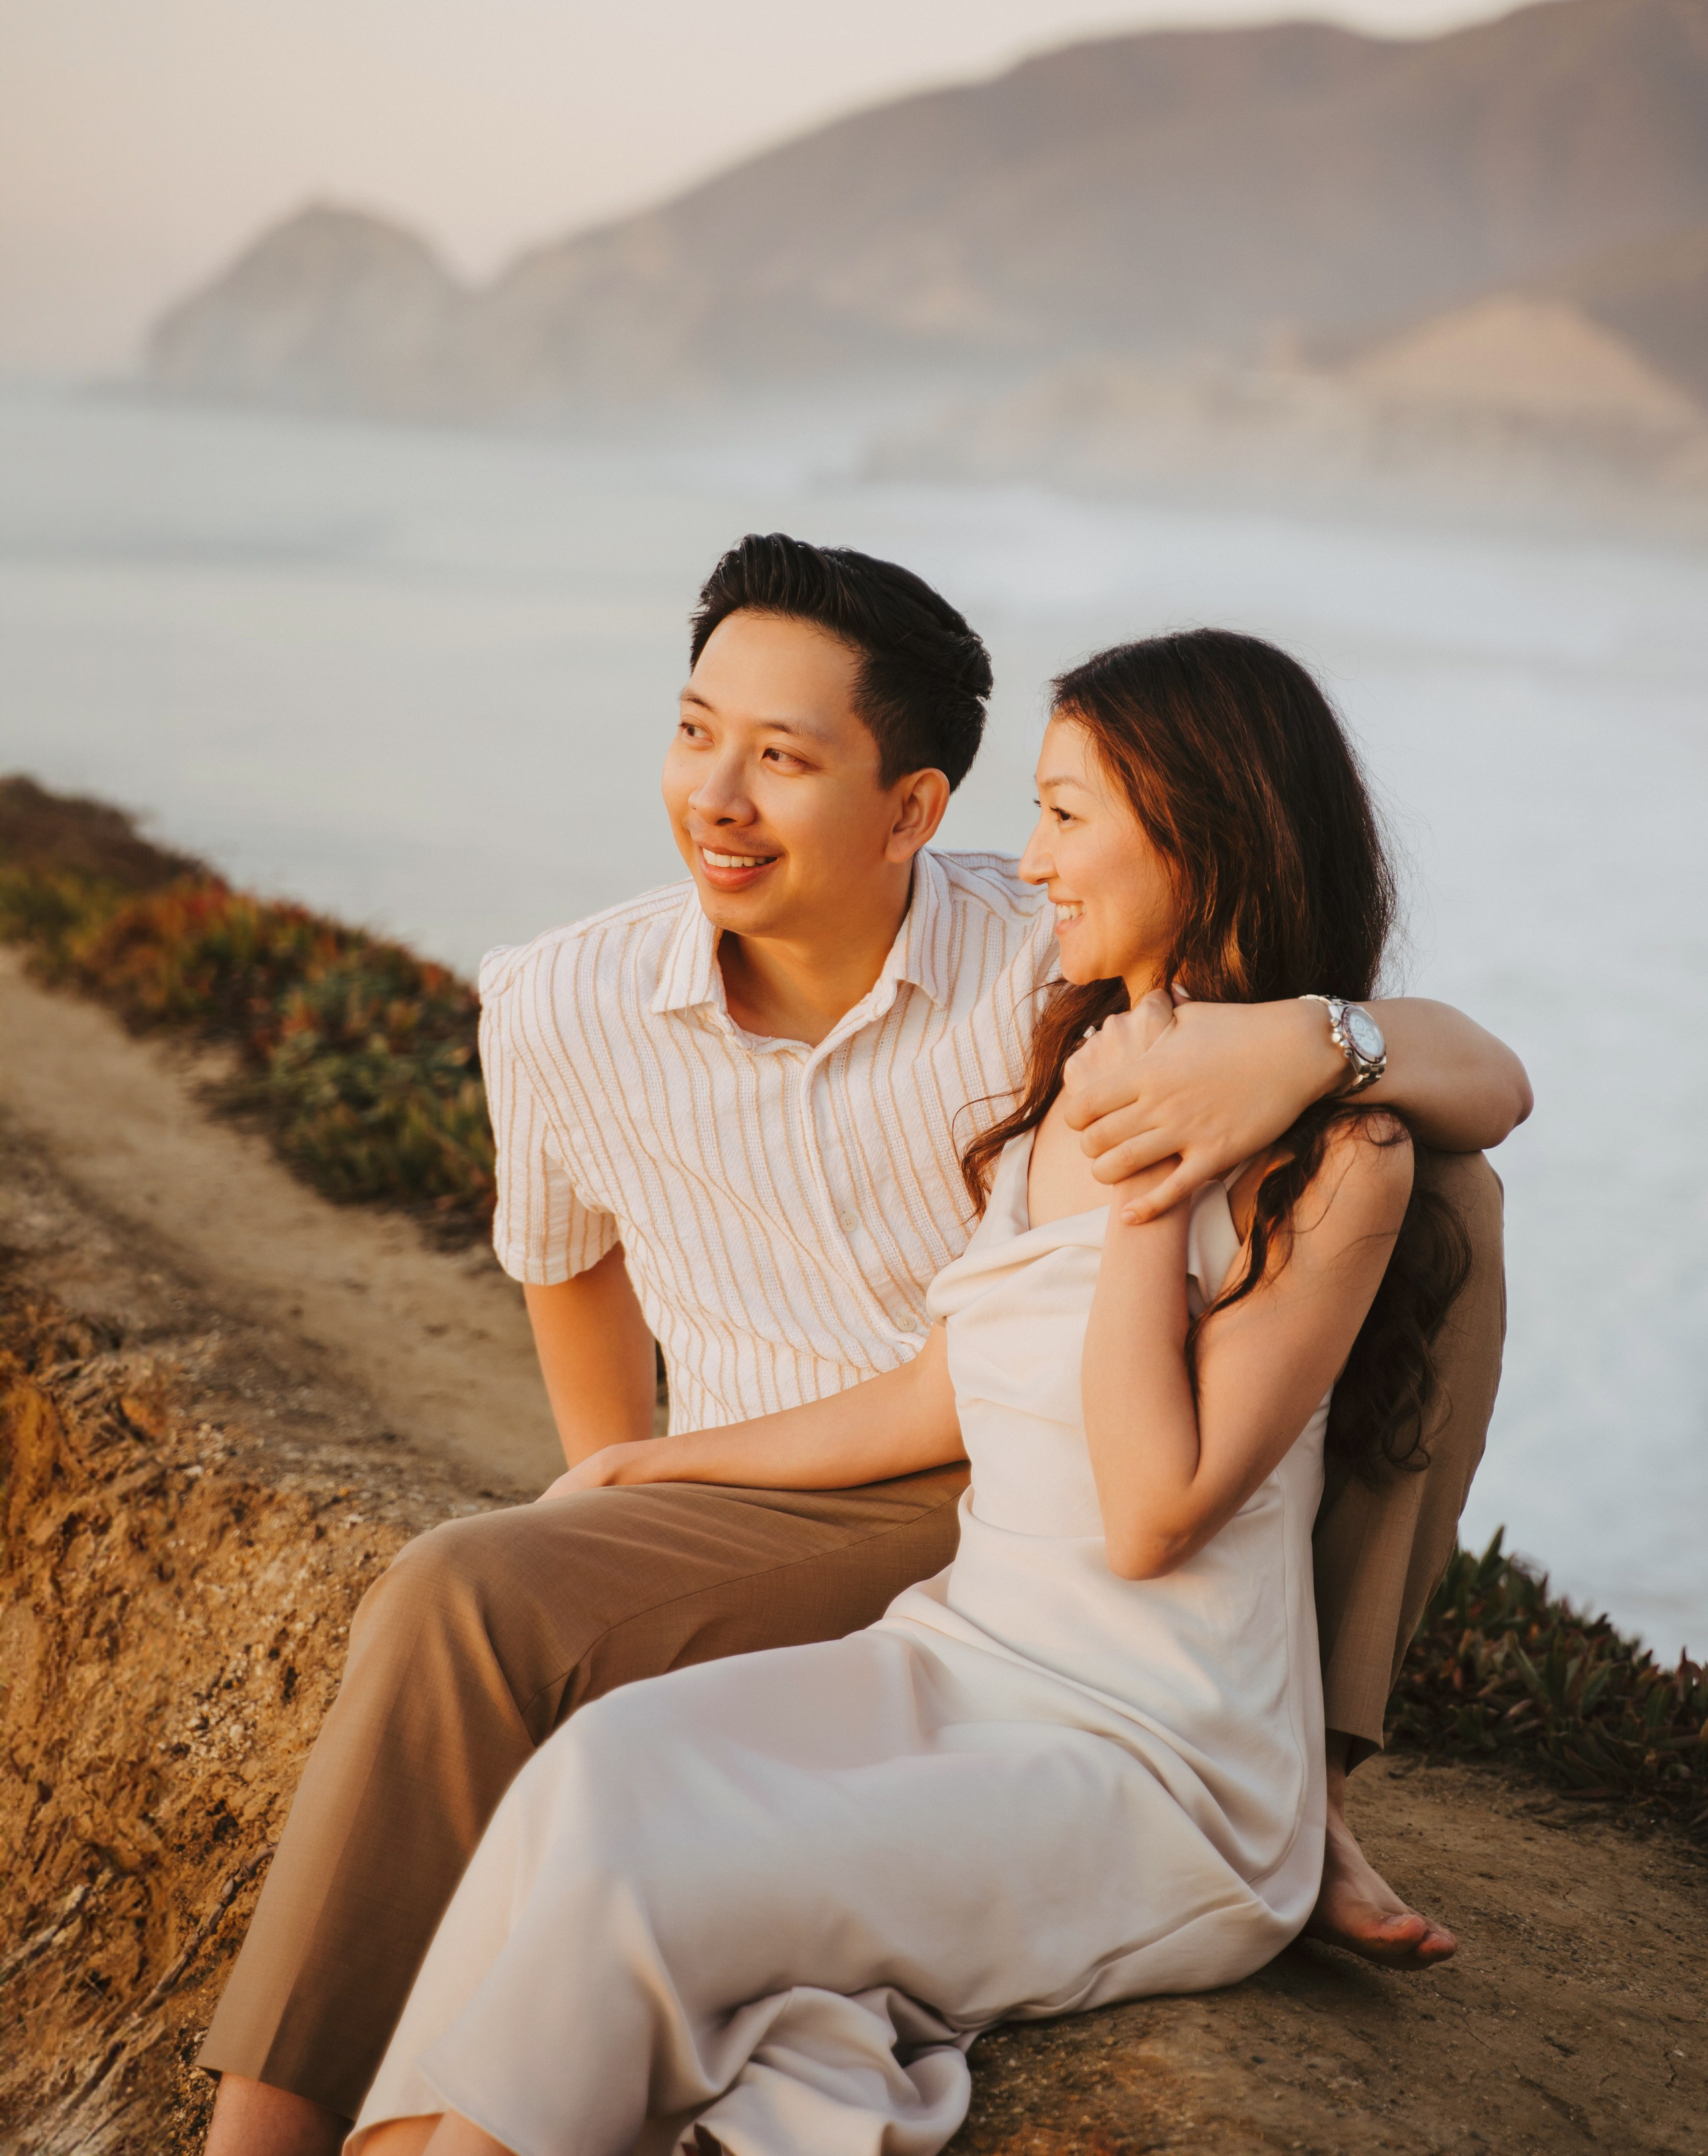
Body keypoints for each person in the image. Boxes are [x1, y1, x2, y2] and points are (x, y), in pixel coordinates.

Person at [201, 541, 1526, 2155]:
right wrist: (619, 1488)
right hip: (812, 1495)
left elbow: (1472, 1080)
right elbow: (569, 1279)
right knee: (463, 1595)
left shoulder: (1050, 959)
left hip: (1051, 1496)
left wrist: (1310, 1042)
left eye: (782, 755)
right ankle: (265, 2131)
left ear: (907, 807)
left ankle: (1303, 1774)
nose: (719, 796)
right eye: (696, 733)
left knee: (1448, 1186)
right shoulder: (558, 999)